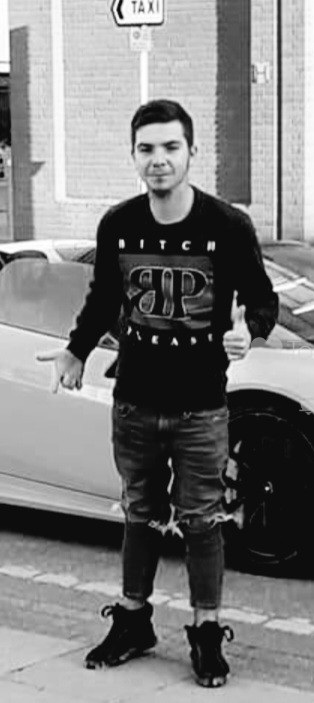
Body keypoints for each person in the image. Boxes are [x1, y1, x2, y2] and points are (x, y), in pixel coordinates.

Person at [36, 99, 279, 687]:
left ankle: (206, 633)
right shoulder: (118, 224)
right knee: (139, 514)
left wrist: (251, 329)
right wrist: (76, 350)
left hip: (201, 407)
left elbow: (263, 299)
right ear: (134, 155)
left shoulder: (228, 226)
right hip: (135, 403)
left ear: (192, 152)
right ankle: (133, 621)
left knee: (202, 521)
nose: (159, 160)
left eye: (171, 147)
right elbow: (102, 299)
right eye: (147, 149)